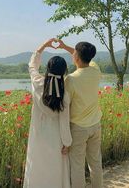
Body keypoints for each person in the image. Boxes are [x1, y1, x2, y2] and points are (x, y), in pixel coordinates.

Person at [23, 38, 72, 188]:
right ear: (64, 72)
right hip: (56, 138)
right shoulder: (64, 95)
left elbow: (32, 66)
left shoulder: (38, 83)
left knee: (37, 165)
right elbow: (64, 122)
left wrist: (44, 45)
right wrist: (67, 142)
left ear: (47, 69)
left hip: (38, 135)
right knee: (55, 169)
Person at [57, 40, 103, 188]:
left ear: (76, 56)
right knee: (95, 163)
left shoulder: (71, 79)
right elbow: (85, 57)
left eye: (74, 52)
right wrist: (65, 47)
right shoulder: (95, 71)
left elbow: (65, 106)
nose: (73, 54)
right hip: (95, 125)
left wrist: (64, 47)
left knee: (77, 167)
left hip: (78, 128)